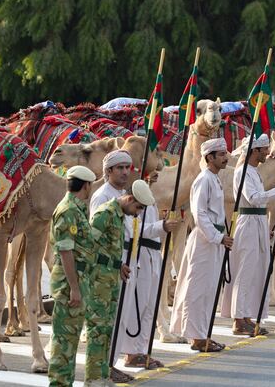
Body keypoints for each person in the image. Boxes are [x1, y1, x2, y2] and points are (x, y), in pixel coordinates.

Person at [221, 133, 275, 336]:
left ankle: (247, 316)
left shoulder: (254, 172)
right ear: (254, 151)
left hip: (258, 222)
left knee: (255, 271)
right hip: (248, 222)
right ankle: (239, 320)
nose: (267, 154)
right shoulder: (242, 172)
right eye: (263, 150)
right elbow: (253, 198)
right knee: (245, 271)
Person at [85, 180, 154, 387]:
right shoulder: (105, 212)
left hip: (111, 277)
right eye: (138, 207)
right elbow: (91, 246)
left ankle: (103, 372)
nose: (139, 213)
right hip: (100, 281)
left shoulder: (119, 214)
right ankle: (94, 376)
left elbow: (111, 246)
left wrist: (119, 265)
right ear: (130, 199)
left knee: (107, 329)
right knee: (98, 331)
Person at [170, 138, 232, 351]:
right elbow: (199, 213)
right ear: (209, 158)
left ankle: (202, 334)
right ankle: (196, 337)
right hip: (205, 240)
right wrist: (217, 237)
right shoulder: (203, 180)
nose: (226, 157)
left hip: (214, 239)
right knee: (197, 289)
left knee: (209, 289)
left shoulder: (215, 179)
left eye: (226, 153)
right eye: (221, 154)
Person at [118, 169, 176, 369]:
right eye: (152, 170)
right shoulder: (134, 200)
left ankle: (142, 350)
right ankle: (131, 352)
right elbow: (136, 228)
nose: (157, 173)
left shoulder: (150, 198)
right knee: (138, 304)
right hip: (141, 254)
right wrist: (162, 226)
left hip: (153, 256)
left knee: (150, 305)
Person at [87, 149, 135, 384]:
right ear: (108, 171)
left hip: (125, 257)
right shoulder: (102, 196)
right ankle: (104, 366)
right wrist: (115, 264)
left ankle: (111, 363)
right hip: (109, 264)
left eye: (127, 167)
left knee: (121, 315)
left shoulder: (125, 194)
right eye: (120, 168)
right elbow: (96, 237)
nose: (125, 172)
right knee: (108, 319)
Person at [48, 166, 97, 387]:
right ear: (85, 186)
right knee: (63, 343)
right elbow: (66, 251)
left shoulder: (77, 209)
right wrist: (75, 288)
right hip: (69, 286)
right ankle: (58, 384)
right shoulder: (68, 210)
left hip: (75, 282)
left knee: (70, 341)